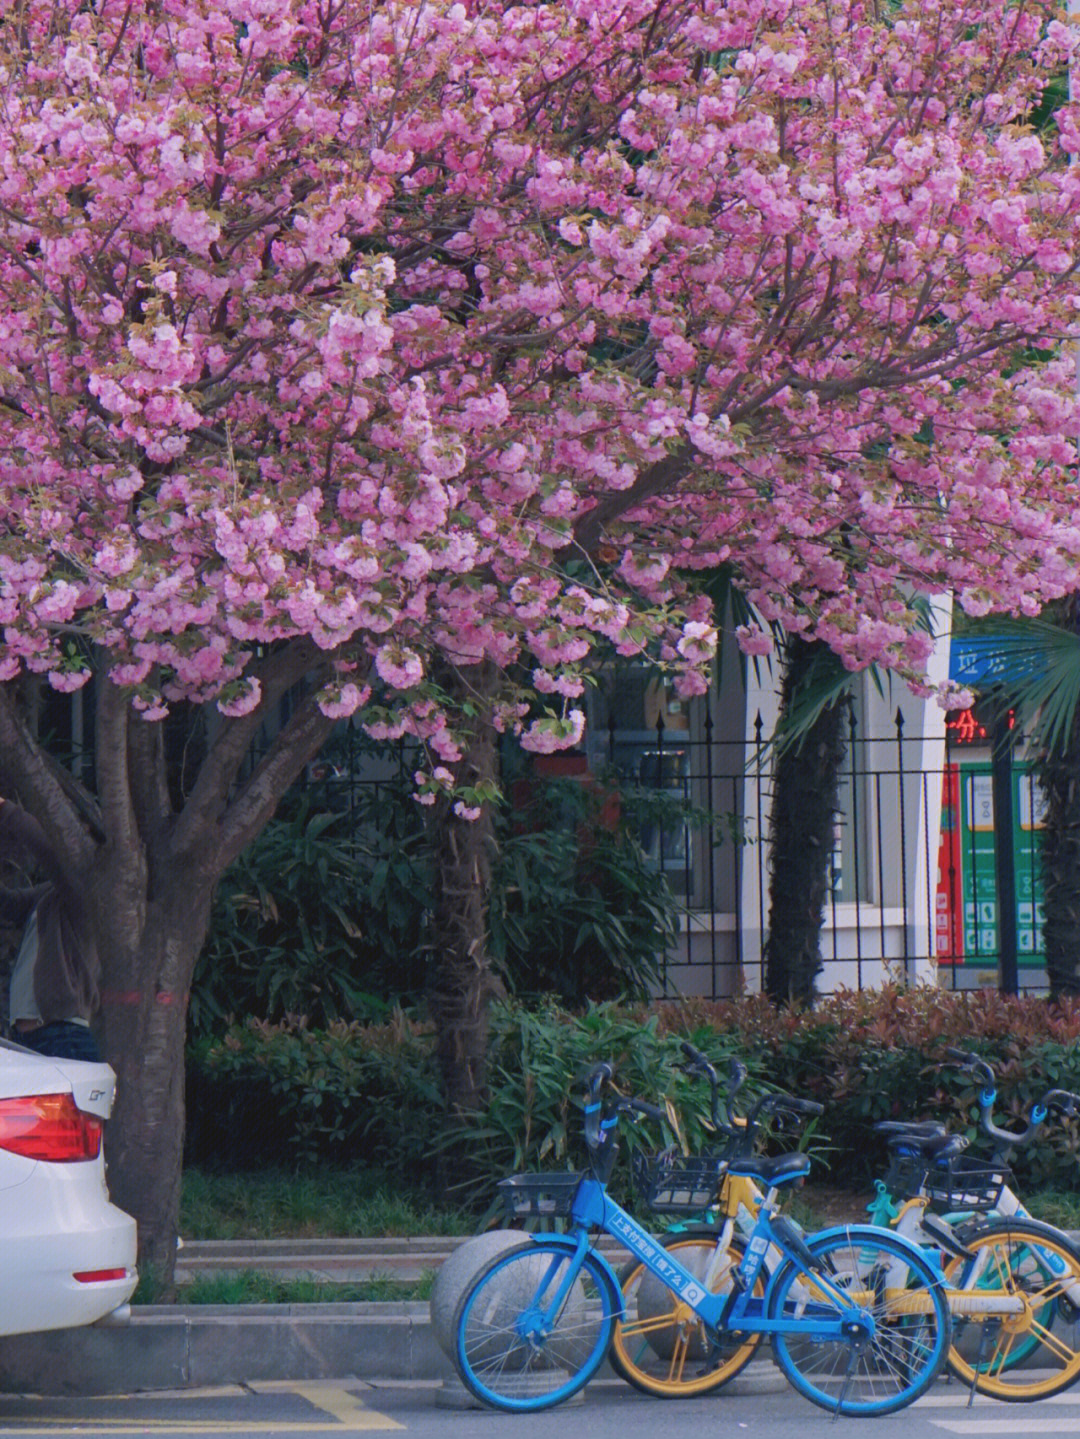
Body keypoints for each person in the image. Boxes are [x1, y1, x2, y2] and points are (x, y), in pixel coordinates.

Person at [0, 796, 102, 1063]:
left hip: (63, 1035)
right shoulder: (53, 893)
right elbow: (9, 906)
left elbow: (52, 854)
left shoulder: (89, 891)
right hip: (32, 1039)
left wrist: (5, 809)